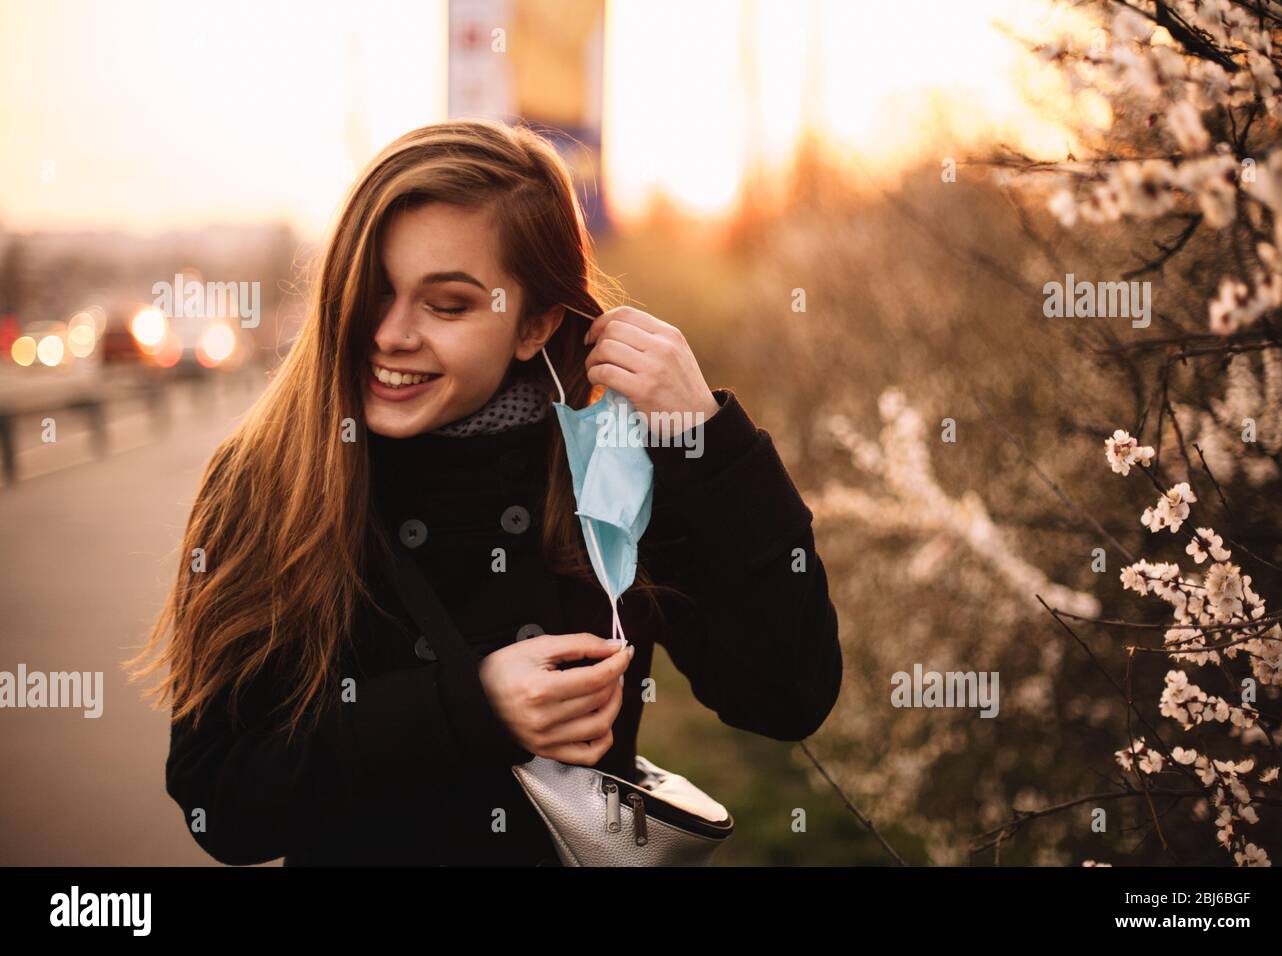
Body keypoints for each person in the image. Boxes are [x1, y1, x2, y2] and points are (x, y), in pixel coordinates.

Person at [126, 119, 842, 866]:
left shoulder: (608, 470)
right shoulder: (269, 477)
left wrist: (709, 438)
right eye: (372, 292)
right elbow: (220, 801)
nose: (390, 334)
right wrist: (471, 710)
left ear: (534, 323)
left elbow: (785, 693)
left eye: (448, 305)